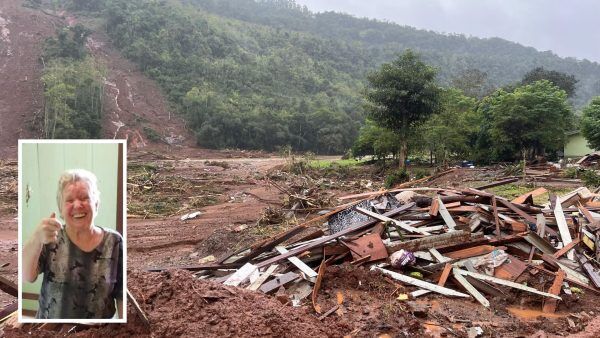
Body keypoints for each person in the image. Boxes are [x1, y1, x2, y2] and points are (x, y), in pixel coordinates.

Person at [23, 169, 123, 319]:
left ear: (96, 204)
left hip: (99, 332)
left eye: (84, 198)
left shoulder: (114, 242)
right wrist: (36, 238)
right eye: (69, 200)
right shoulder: (50, 237)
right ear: (60, 209)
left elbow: (121, 295)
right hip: (51, 331)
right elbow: (27, 276)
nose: (77, 205)